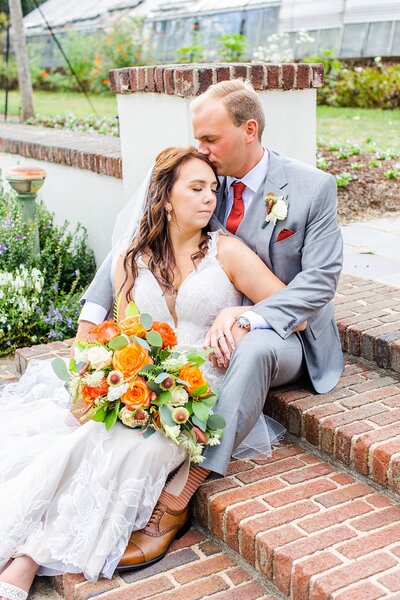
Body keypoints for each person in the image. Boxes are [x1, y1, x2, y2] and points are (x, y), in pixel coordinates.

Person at [0, 146, 297, 600]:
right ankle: (26, 553)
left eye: (213, 189)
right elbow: (119, 333)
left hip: (201, 391)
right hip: (144, 382)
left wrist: (238, 318)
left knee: (137, 450)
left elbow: (291, 310)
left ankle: (29, 557)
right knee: (90, 438)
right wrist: (107, 379)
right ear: (164, 198)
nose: (208, 199)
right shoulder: (128, 260)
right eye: (195, 188)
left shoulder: (228, 252)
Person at [77, 79, 344, 570]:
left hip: (288, 331)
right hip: (209, 335)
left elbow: (321, 281)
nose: (201, 149)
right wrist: (90, 325)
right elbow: (139, 244)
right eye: (197, 138)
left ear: (249, 130)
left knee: (255, 348)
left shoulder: (312, 187)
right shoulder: (205, 181)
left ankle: (181, 495)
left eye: (210, 139)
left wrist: (250, 314)